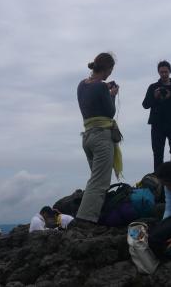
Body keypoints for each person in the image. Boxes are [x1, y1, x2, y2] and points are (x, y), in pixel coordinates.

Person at [72, 52, 122, 229]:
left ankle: (94, 214)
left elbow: (93, 98)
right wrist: (112, 94)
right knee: (100, 181)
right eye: (110, 70)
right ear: (107, 68)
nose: (110, 74)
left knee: (95, 177)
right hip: (101, 137)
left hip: (87, 136)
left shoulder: (81, 85)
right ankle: (86, 219)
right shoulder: (101, 87)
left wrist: (105, 90)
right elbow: (109, 112)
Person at [142, 61, 171, 171]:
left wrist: (170, 96)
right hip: (157, 124)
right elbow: (145, 105)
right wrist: (155, 97)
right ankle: (158, 180)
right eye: (161, 72)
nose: (164, 74)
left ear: (170, 71)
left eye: (166, 72)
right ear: (158, 72)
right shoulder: (153, 87)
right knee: (158, 153)